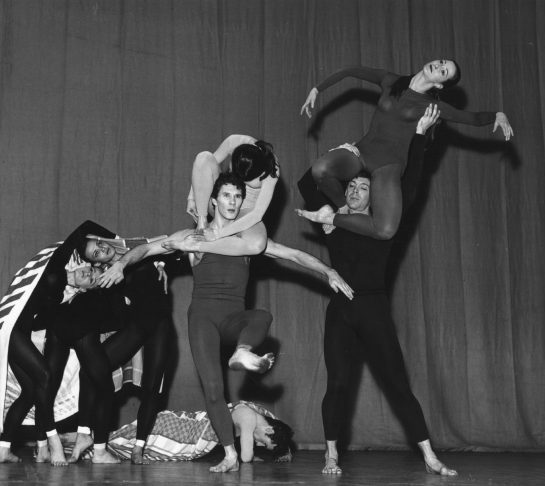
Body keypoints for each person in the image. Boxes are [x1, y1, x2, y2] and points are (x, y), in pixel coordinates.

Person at [98, 172, 353, 473]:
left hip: (234, 317)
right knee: (214, 389)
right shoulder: (193, 237)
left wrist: (329, 272)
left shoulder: (249, 240)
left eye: (238, 196)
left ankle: (242, 350)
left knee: (263, 316)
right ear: (215, 201)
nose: (233, 201)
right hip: (202, 319)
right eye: (228, 196)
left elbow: (294, 255)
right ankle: (229, 454)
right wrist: (120, 262)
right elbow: (148, 248)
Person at [297, 105, 457, 476]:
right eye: (351, 185)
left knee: (398, 385)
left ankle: (430, 456)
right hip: (341, 309)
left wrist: (418, 136)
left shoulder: (386, 226)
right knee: (337, 384)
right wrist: (347, 152)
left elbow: (412, 184)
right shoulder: (334, 220)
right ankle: (331, 455)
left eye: (362, 186)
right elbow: (309, 183)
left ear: (375, 197)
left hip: (373, 311)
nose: (353, 190)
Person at [298, 59, 513, 241]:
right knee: (320, 170)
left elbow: (472, 118)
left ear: (439, 85)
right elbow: (350, 70)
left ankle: (330, 219)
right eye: (440, 62)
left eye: (443, 71)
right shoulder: (391, 81)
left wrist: (497, 115)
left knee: (386, 230)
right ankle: (342, 208)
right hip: (362, 152)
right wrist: (318, 88)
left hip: (388, 165)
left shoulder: (432, 107)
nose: (438, 67)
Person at [0, 221, 117, 466]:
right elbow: (84, 228)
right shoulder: (58, 265)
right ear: (82, 261)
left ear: (84, 289)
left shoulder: (60, 299)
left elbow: (40, 322)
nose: (88, 274)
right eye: (90, 269)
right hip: (9, 326)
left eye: (90, 279)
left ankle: (3, 449)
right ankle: (53, 442)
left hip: (18, 331)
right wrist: (118, 243)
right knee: (46, 377)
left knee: (31, 391)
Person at [44, 229, 173, 465]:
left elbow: (169, 245)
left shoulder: (134, 248)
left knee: (153, 387)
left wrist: (161, 264)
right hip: (139, 326)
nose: (102, 248)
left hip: (161, 324)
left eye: (99, 243)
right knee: (91, 370)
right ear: (95, 262)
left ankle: (139, 447)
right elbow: (104, 309)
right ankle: (85, 432)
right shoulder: (102, 278)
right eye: (96, 253)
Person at [107, 401, 293, 463]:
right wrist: (258, 452)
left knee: (119, 442)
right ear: (268, 429)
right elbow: (245, 456)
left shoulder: (261, 414)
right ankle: (90, 440)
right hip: (181, 430)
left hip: (178, 425)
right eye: (263, 442)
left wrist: (283, 448)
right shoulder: (249, 417)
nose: (259, 444)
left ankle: (90, 441)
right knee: (116, 442)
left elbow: (279, 426)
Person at [187, 134, 279, 251]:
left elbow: (256, 215)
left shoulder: (271, 170)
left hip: (243, 215)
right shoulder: (235, 141)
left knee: (258, 245)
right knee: (203, 156)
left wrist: (219, 234)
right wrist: (191, 198)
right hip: (220, 205)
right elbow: (201, 167)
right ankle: (202, 222)